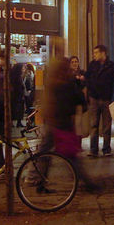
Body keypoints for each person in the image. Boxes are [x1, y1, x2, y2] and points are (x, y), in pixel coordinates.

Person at [42, 56, 98, 191]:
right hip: (63, 124)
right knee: (71, 155)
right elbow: (81, 102)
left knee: (44, 153)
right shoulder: (68, 83)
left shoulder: (51, 82)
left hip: (51, 122)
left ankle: (39, 180)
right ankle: (87, 183)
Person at [85, 44, 114, 157]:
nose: (94, 55)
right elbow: (87, 78)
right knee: (93, 124)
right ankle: (93, 150)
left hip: (106, 99)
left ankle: (106, 149)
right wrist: (90, 92)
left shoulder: (111, 66)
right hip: (94, 99)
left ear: (103, 53)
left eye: (96, 53)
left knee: (106, 125)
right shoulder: (92, 65)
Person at [10, 63, 26, 127]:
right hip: (17, 97)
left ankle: (17, 122)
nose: (23, 70)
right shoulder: (17, 77)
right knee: (18, 109)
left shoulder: (14, 76)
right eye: (22, 68)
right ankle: (18, 122)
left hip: (16, 96)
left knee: (17, 109)